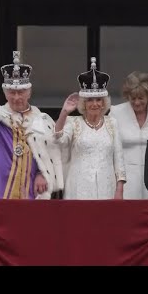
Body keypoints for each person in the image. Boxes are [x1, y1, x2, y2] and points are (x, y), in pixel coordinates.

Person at [0, 51, 64, 199]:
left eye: (21, 92)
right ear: (5, 93)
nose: (16, 97)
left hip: (30, 187)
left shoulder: (41, 120)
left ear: (29, 92)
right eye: (11, 93)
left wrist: (42, 173)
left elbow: (49, 153)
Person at [53, 57, 126, 200]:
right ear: (83, 103)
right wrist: (64, 112)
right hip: (79, 186)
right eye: (90, 100)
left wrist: (120, 189)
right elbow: (57, 138)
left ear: (104, 102)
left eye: (98, 99)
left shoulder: (112, 123)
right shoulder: (74, 122)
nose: (95, 104)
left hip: (107, 186)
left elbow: (119, 158)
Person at [109, 72, 148, 199]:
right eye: (133, 98)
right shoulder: (116, 112)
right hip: (125, 178)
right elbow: (111, 147)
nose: (137, 102)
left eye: (141, 98)